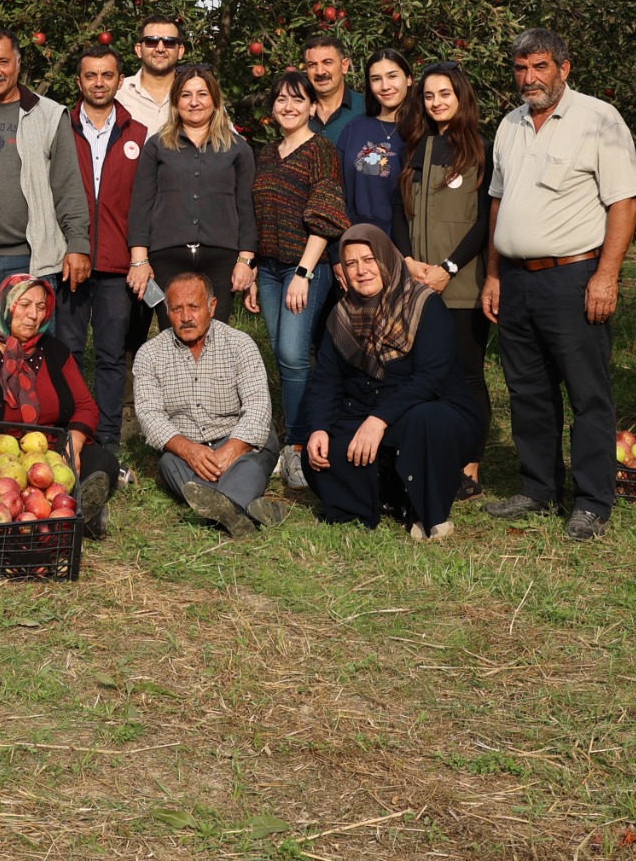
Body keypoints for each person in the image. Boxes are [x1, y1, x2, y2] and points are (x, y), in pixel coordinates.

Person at [480, 27, 636, 542]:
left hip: (574, 275)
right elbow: (498, 204)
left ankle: (593, 500)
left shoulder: (598, 119)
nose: (529, 78)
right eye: (521, 68)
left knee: (587, 393)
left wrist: (606, 276)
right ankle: (539, 487)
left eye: (540, 67)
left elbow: (624, 202)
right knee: (528, 390)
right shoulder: (509, 124)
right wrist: (492, 274)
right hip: (518, 281)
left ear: (564, 68)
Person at [296, 224, 483, 537]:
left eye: (369, 259)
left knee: (424, 422)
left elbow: (430, 378)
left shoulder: (424, 304)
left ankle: (428, 512)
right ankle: (386, 500)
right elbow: (326, 381)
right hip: (365, 409)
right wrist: (318, 428)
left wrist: (378, 420)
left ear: (385, 258)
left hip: (429, 407)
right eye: (352, 263)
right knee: (320, 453)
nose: (362, 271)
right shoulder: (340, 315)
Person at [391, 62, 495, 497]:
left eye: (445, 94)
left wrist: (449, 268)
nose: (436, 102)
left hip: (463, 284)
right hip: (417, 285)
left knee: (467, 374)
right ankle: (438, 459)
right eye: (430, 95)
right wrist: (410, 262)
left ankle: (470, 466)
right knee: (425, 374)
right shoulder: (416, 145)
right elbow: (399, 212)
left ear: (462, 97)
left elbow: (485, 221)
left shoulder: (482, 148)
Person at [0, 272, 115, 537]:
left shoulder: (55, 350)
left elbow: (86, 405)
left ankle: (60, 514)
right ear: (5, 305)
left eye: (40, 307)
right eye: (24, 305)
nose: (34, 315)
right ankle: (73, 520)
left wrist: (74, 443)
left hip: (51, 453)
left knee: (102, 459)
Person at [244, 70, 350, 486]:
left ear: (311, 107)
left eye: (298, 100)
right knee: (283, 357)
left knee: (292, 354)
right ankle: (291, 439)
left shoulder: (321, 150)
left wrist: (304, 273)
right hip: (269, 269)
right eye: (281, 100)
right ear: (272, 108)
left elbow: (326, 216)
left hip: (305, 267)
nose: (289, 107)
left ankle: (298, 447)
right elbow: (255, 214)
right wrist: (253, 271)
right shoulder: (265, 154)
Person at [0, 29, 90, 335]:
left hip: (30, 259)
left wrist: (78, 244)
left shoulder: (48, 114)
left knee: (33, 359)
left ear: (18, 63)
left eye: (3, 61)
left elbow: (68, 187)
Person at [131, 271, 284, 537]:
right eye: (177, 309)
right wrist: (188, 450)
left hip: (239, 441)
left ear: (212, 307)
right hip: (187, 448)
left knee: (252, 459)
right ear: (167, 310)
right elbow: (149, 415)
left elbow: (258, 407)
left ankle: (219, 507)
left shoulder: (240, 344)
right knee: (169, 463)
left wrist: (233, 449)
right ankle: (244, 509)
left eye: (194, 307)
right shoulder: (149, 355)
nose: (186, 317)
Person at [63, 46, 149, 459]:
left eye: (107, 75)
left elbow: (144, 203)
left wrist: (138, 257)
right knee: (69, 352)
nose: (99, 83)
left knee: (113, 356)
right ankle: (70, 434)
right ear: (79, 81)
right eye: (91, 75)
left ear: (119, 80)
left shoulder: (139, 134)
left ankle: (109, 441)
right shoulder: (60, 127)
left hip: (117, 266)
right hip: (68, 260)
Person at [125, 64, 258, 324]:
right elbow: (141, 205)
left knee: (214, 337)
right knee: (171, 333)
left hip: (221, 258)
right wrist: (139, 261)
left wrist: (246, 260)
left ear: (215, 101)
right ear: (176, 102)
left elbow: (247, 209)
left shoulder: (238, 149)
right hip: (168, 258)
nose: (194, 102)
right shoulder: (157, 146)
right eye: (186, 95)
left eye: (202, 94)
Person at [339, 46, 413, 236]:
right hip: (358, 240)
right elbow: (337, 192)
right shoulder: (354, 128)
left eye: (392, 76)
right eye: (376, 79)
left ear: (409, 79)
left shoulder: (422, 131)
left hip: (407, 244)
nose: (385, 86)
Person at [114, 15, 187, 134]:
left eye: (169, 41)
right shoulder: (117, 93)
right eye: (151, 41)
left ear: (180, 51)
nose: (160, 48)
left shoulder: (199, 96)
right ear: (138, 50)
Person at [298, 30, 366, 153]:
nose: (320, 72)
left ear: (345, 66)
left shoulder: (367, 108)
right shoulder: (297, 111)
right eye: (312, 65)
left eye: (327, 62)